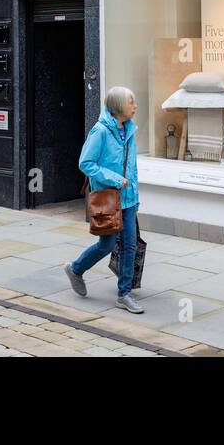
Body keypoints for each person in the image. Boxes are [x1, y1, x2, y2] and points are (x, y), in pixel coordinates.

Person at [64, 86, 144, 314]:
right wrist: (115, 179)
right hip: (109, 199)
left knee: (130, 245)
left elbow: (133, 168)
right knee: (106, 245)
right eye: (131, 102)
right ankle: (76, 269)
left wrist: (135, 198)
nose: (135, 106)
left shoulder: (128, 130)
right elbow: (86, 163)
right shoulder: (100, 132)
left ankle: (124, 294)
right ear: (119, 106)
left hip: (128, 200)